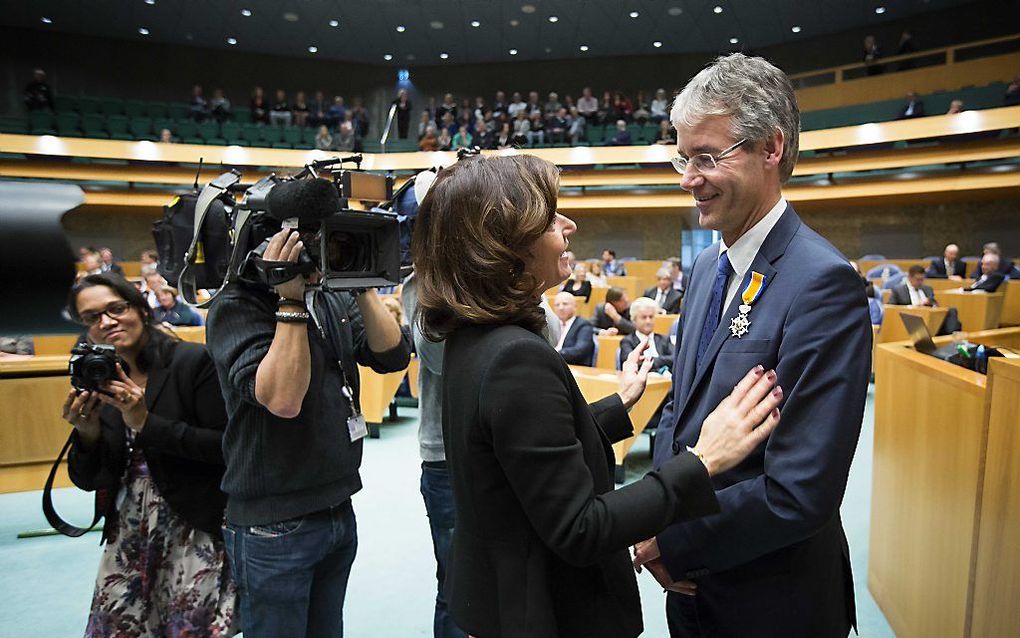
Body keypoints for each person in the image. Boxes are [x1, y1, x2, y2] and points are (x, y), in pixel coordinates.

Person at [411, 154, 782, 638]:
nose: (568, 225)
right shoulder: (516, 357)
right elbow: (580, 528)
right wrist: (703, 459)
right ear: (503, 245)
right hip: (550, 613)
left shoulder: (470, 335)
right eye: (548, 218)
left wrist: (616, 406)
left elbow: (516, 452)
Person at [635, 53, 871, 637]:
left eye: (708, 157)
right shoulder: (709, 267)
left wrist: (670, 540)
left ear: (771, 148)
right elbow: (680, 411)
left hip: (770, 600)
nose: (690, 178)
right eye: (683, 158)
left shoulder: (822, 283)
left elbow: (799, 488)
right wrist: (660, 511)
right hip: (692, 591)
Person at [206, 227, 411, 637]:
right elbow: (283, 399)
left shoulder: (331, 296)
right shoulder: (236, 306)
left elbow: (392, 356)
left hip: (336, 505)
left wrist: (361, 284)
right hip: (274, 521)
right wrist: (290, 301)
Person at [63, 273, 236, 636]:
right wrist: (87, 433)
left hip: (194, 525)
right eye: (92, 317)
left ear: (141, 309)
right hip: (127, 532)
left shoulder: (192, 361)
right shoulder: (100, 377)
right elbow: (88, 480)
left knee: (186, 629)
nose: (106, 322)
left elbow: (227, 448)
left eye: (116, 309)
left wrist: (144, 422)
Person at [619, 297, 674, 372]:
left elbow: (674, 358)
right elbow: (630, 363)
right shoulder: (627, 341)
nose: (648, 321)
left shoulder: (664, 339)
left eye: (651, 317)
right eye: (644, 317)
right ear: (634, 320)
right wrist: (661, 361)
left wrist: (649, 360)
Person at [551, 291, 596, 366]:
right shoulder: (551, 324)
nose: (561, 308)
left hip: (573, 366)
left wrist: (553, 354)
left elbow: (580, 350)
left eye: (565, 304)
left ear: (575, 307)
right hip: (554, 365)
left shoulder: (584, 325)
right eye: (557, 305)